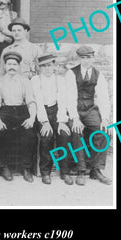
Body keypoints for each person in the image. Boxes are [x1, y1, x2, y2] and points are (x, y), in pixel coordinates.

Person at [65, 45, 111, 186]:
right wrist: (75, 117)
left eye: (89, 57)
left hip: (90, 109)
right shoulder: (71, 73)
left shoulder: (98, 74)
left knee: (104, 131)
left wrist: (105, 119)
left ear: (93, 58)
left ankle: (96, 169)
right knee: (77, 130)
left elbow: (103, 97)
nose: (86, 61)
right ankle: (81, 169)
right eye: (83, 58)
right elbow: (70, 97)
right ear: (79, 58)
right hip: (75, 109)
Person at [0, 51, 37, 183]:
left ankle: (26, 168)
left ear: (18, 66)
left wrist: (32, 118)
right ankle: (3, 166)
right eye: (9, 64)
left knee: (30, 134)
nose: (12, 67)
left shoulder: (25, 81)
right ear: (5, 66)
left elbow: (31, 101)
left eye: (14, 64)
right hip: (5, 111)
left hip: (21, 110)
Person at [31, 54, 73, 185]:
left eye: (49, 65)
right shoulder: (35, 80)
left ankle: (65, 171)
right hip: (42, 112)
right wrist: (44, 122)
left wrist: (61, 121)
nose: (47, 69)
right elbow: (37, 101)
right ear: (39, 68)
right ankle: (45, 172)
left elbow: (62, 101)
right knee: (46, 136)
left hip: (57, 112)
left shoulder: (60, 80)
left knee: (64, 135)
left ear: (54, 66)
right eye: (43, 66)